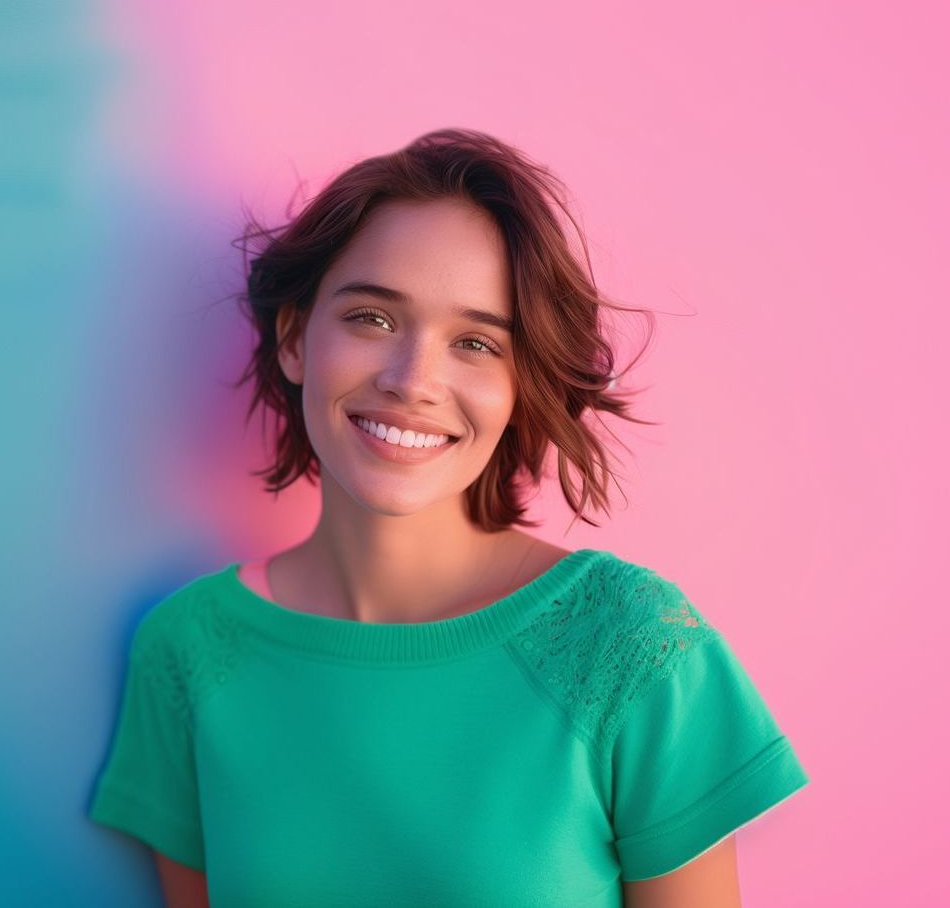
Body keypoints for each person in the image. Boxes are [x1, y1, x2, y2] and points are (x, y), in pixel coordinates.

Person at [87, 128, 810, 907]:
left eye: (475, 342)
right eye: (372, 318)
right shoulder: (187, 652)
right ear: (296, 338)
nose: (414, 380)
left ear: (518, 385)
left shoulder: (632, 645)